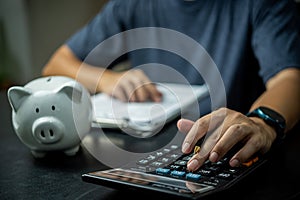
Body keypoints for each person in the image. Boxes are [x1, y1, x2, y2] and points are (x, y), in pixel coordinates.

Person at [42, 0, 300, 171]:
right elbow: (57, 65)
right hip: (148, 153)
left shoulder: (261, 4)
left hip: (225, 154)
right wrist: (108, 79)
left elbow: (289, 79)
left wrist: (262, 122)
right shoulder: (132, 4)